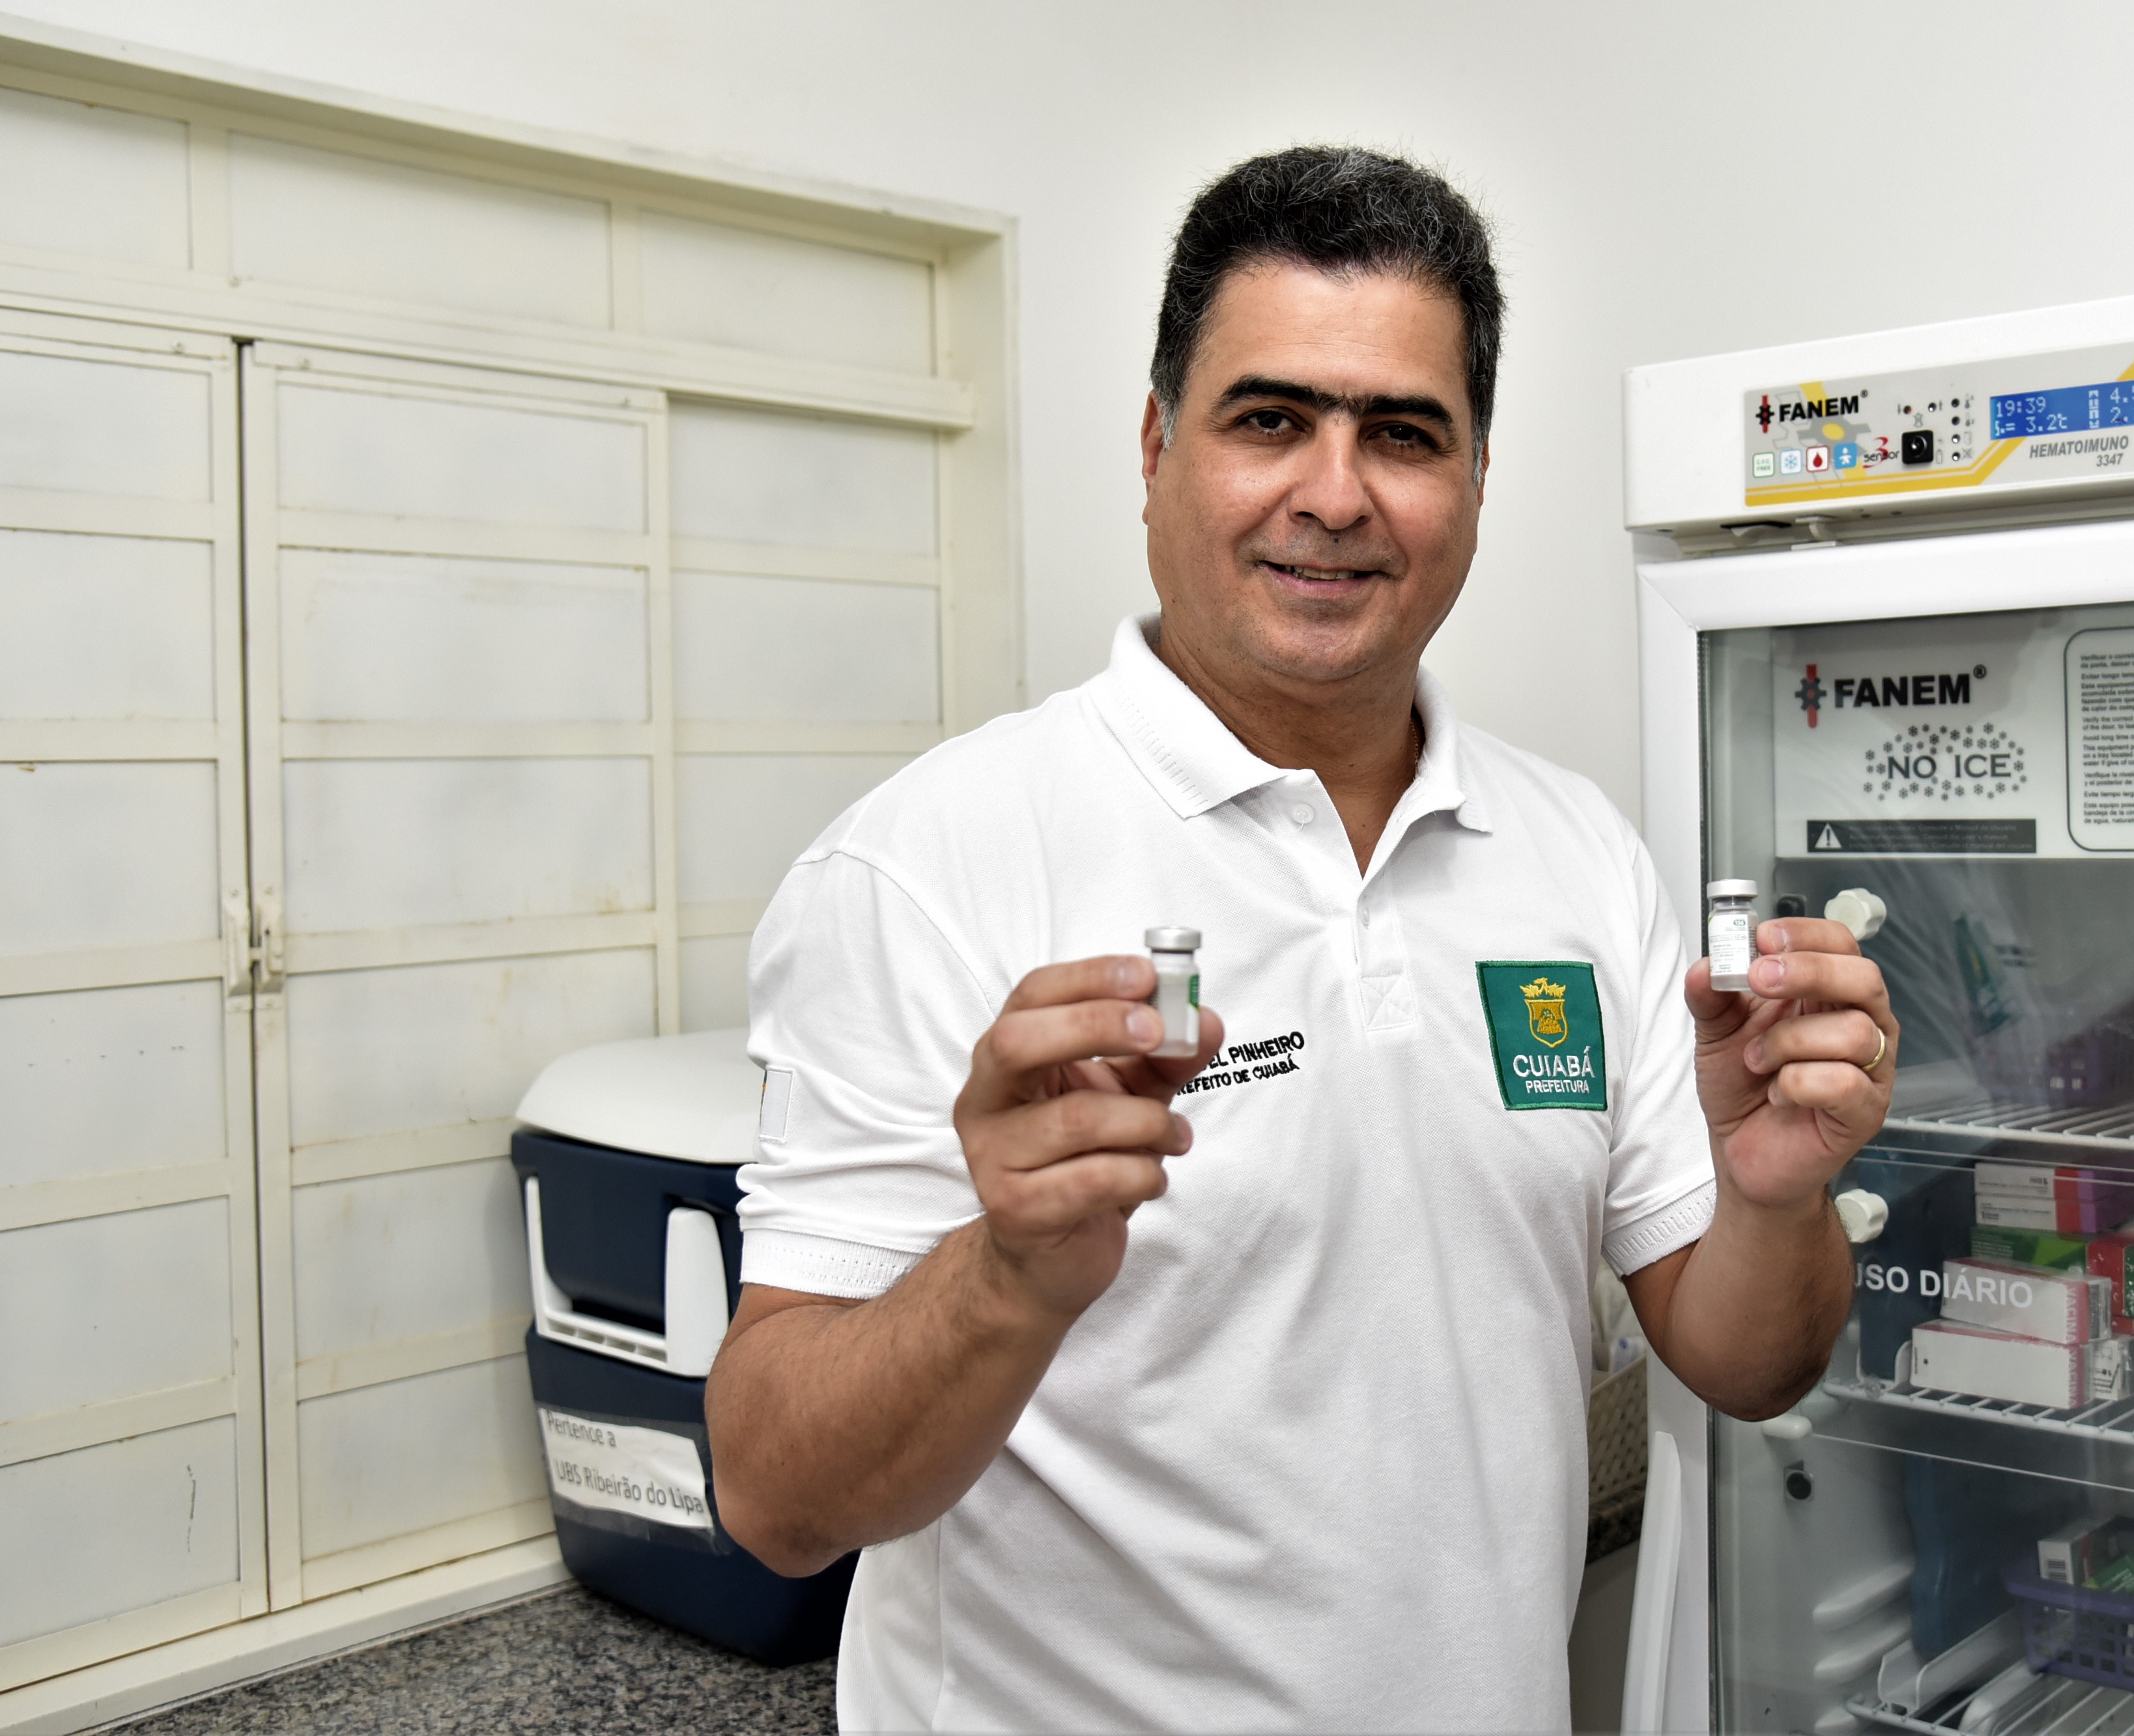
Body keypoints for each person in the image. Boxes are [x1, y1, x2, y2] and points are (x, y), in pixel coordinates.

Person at [706, 147, 1899, 1731]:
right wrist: (1009, 1277)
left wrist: (1775, 1199)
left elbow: (1746, 1361)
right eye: (1269, 419)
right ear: (1155, 448)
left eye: (1403, 433)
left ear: (1476, 479)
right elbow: (776, 1498)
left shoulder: (1575, 856)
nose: (1335, 495)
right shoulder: (931, 863)